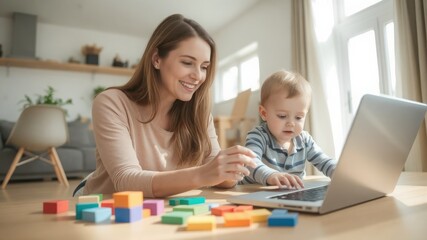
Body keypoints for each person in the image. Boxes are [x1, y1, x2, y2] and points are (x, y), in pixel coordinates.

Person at [73, 14, 256, 198]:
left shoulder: (198, 112)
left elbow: (216, 173)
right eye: (187, 63)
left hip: (158, 208)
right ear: (156, 59)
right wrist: (203, 174)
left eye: (204, 67)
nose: (198, 76)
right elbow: (126, 181)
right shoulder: (111, 103)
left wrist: (231, 168)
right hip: (104, 205)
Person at [240, 70, 336, 189]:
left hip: (289, 194)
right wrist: (271, 175)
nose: (291, 123)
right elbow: (250, 163)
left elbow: (324, 161)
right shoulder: (258, 136)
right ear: (264, 113)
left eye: (298, 117)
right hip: (252, 192)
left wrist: (340, 173)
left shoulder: (304, 140)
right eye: (282, 116)